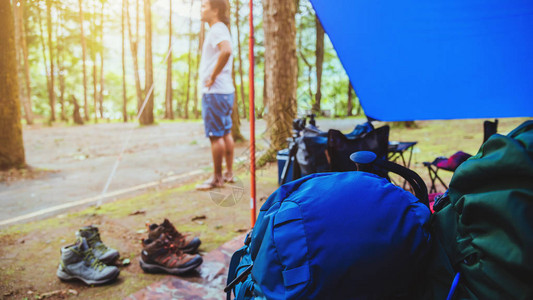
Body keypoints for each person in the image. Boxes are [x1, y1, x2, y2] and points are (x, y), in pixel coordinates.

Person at [196, 0, 235, 190]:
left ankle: (217, 178)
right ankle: (228, 173)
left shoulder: (217, 29)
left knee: (215, 136)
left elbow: (226, 51)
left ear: (215, 10)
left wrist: (212, 76)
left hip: (215, 92)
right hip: (225, 90)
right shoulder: (220, 29)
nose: (201, 9)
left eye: (204, 6)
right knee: (225, 132)